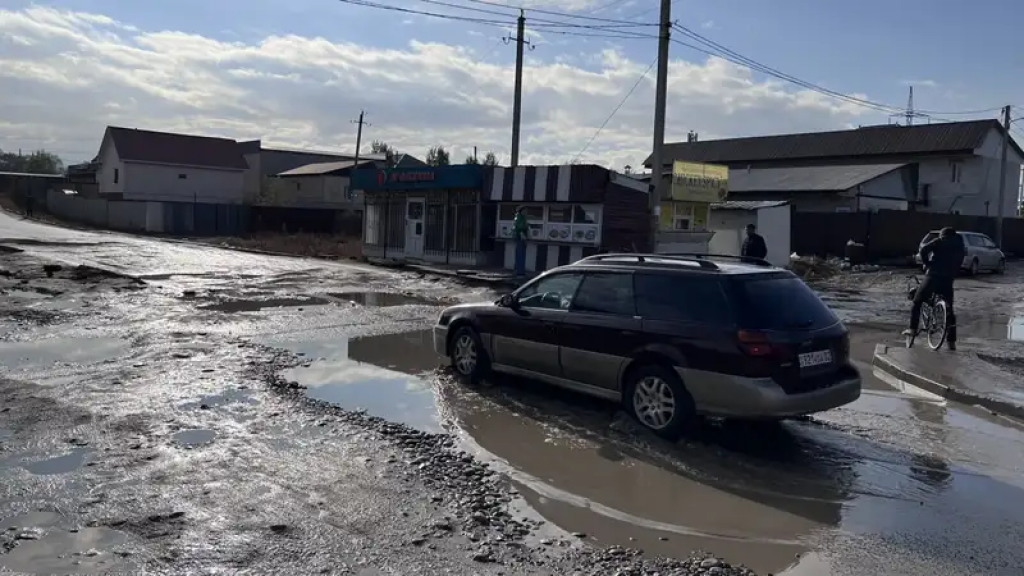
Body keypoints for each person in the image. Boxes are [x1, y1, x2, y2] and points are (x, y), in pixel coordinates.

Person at [904, 226, 964, 350]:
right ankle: (951, 342)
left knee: (917, 301)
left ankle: (912, 329)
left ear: (943, 235)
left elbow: (924, 250)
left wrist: (927, 263)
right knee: (950, 310)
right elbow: (959, 262)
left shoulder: (940, 241)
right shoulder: (960, 246)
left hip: (933, 276)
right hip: (948, 279)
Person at [513, 206, 528, 276]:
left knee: (520, 254)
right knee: (520, 254)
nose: (526, 212)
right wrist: (524, 232)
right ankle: (520, 271)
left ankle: (519, 270)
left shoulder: (519, 217)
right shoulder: (520, 217)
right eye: (525, 210)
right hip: (520, 238)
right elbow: (519, 227)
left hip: (520, 237)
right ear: (521, 211)